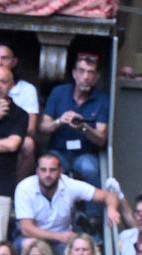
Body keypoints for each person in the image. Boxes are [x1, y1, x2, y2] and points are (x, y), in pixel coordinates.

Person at [14, 153, 121, 255]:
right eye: (43, 170)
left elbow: (109, 196)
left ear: (60, 171)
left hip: (63, 241)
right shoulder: (24, 188)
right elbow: (26, 229)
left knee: (78, 251)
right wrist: (58, 236)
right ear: (37, 171)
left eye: (52, 170)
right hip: (34, 237)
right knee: (29, 245)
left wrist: (111, 209)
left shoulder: (70, 185)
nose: (47, 174)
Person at [39, 53, 109, 191]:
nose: (86, 77)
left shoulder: (102, 100)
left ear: (96, 77)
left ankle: (93, 212)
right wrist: (59, 121)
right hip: (58, 150)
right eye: (82, 71)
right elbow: (43, 127)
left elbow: (101, 139)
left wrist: (83, 127)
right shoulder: (59, 92)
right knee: (48, 166)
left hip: (85, 153)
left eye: (90, 73)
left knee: (89, 168)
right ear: (74, 74)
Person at [0, 65, 27, 254]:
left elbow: (12, 145)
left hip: (0, 187)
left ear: (11, 85)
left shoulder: (20, 115)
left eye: (3, 81)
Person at [0, 42, 38, 181]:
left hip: (13, 137)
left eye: (4, 58)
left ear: (14, 62)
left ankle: (17, 188)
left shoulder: (27, 89)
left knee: (28, 143)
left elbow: (30, 129)